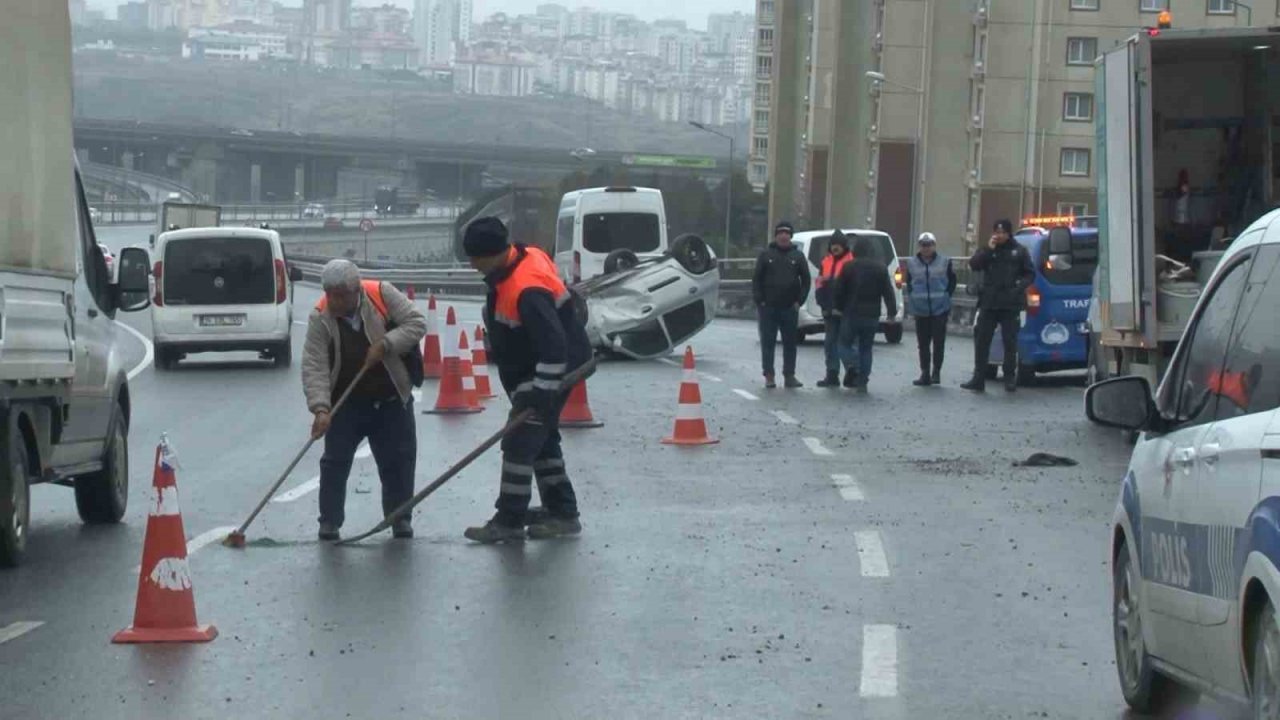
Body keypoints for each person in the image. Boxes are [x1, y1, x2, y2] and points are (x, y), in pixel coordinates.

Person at [461, 217, 592, 544]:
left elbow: (554, 347)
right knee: (542, 440)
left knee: (520, 442)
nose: (473, 266)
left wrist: (540, 395)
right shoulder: (525, 255)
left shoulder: (526, 289)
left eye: (475, 259)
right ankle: (562, 511)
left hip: (551, 371)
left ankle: (509, 520)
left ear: (491, 254)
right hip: (533, 368)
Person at [303, 259, 427, 541]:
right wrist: (321, 408)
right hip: (346, 403)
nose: (333, 300)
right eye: (330, 294)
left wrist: (386, 344)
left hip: (391, 398)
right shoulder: (320, 317)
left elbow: (416, 323)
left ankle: (399, 518)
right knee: (334, 462)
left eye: (341, 295)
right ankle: (329, 522)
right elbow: (315, 366)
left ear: (356, 291)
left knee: (398, 461)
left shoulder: (382, 295)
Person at [961, 219, 1035, 392]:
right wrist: (988, 250)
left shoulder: (1019, 251)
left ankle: (1009, 377)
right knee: (982, 341)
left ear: (1008, 233)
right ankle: (978, 377)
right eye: (996, 232)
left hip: (1010, 303)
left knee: (1009, 342)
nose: (999, 235)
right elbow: (974, 265)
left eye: (1002, 232)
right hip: (989, 302)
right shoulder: (988, 250)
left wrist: (1019, 287)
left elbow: (1030, 274)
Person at [833, 235, 898, 392]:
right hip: (872, 314)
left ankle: (854, 365)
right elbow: (888, 292)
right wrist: (891, 313)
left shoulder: (849, 267)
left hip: (852, 312)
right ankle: (863, 379)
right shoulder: (881, 268)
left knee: (843, 344)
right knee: (866, 348)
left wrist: (837, 307)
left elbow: (839, 290)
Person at [752, 221, 811, 389]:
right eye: (780, 233)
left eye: (786, 233)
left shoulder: (798, 256)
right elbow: (756, 279)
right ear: (776, 236)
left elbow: (806, 281)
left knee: (790, 343)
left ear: (790, 236)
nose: (783, 236)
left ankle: (789, 375)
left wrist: (799, 301)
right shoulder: (766, 255)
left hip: (789, 308)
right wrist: (760, 301)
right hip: (768, 307)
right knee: (768, 342)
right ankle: (769, 375)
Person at [904, 232, 956, 386]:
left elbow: (952, 281)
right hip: (921, 309)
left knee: (939, 342)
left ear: (934, 246)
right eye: (923, 245)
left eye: (929, 245)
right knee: (923, 343)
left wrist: (946, 296)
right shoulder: (912, 263)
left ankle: (936, 372)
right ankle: (925, 372)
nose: (926, 248)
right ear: (919, 246)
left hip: (940, 308)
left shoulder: (945, 262)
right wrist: (913, 297)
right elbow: (909, 283)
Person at [814, 231, 853, 387]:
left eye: (838, 244)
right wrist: (822, 305)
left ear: (844, 246)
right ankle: (832, 374)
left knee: (846, 343)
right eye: (833, 244)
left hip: (845, 310)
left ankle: (852, 372)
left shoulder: (850, 261)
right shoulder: (826, 262)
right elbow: (820, 285)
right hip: (829, 309)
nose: (835, 247)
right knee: (830, 343)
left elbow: (851, 288)